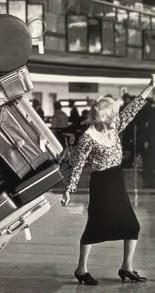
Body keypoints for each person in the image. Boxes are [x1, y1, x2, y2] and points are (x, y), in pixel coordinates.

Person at [61, 74, 155, 285]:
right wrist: (69, 189)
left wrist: (150, 87)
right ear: (101, 118)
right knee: (95, 226)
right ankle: (81, 269)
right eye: (111, 116)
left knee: (132, 225)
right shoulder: (88, 137)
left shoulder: (114, 126)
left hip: (116, 179)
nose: (115, 119)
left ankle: (126, 267)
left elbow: (133, 109)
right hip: (101, 183)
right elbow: (77, 165)